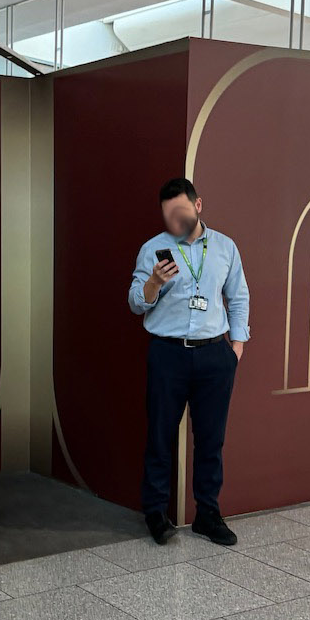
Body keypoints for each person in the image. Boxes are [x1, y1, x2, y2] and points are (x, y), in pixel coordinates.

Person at [128, 177, 250, 546]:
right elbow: (136, 301)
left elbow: (239, 296)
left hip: (215, 354)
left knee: (211, 439)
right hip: (168, 352)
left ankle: (208, 514)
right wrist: (152, 282)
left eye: (180, 212)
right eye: (168, 215)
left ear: (198, 206)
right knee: (160, 435)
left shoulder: (225, 248)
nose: (174, 221)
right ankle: (155, 512)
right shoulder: (154, 249)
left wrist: (236, 347)